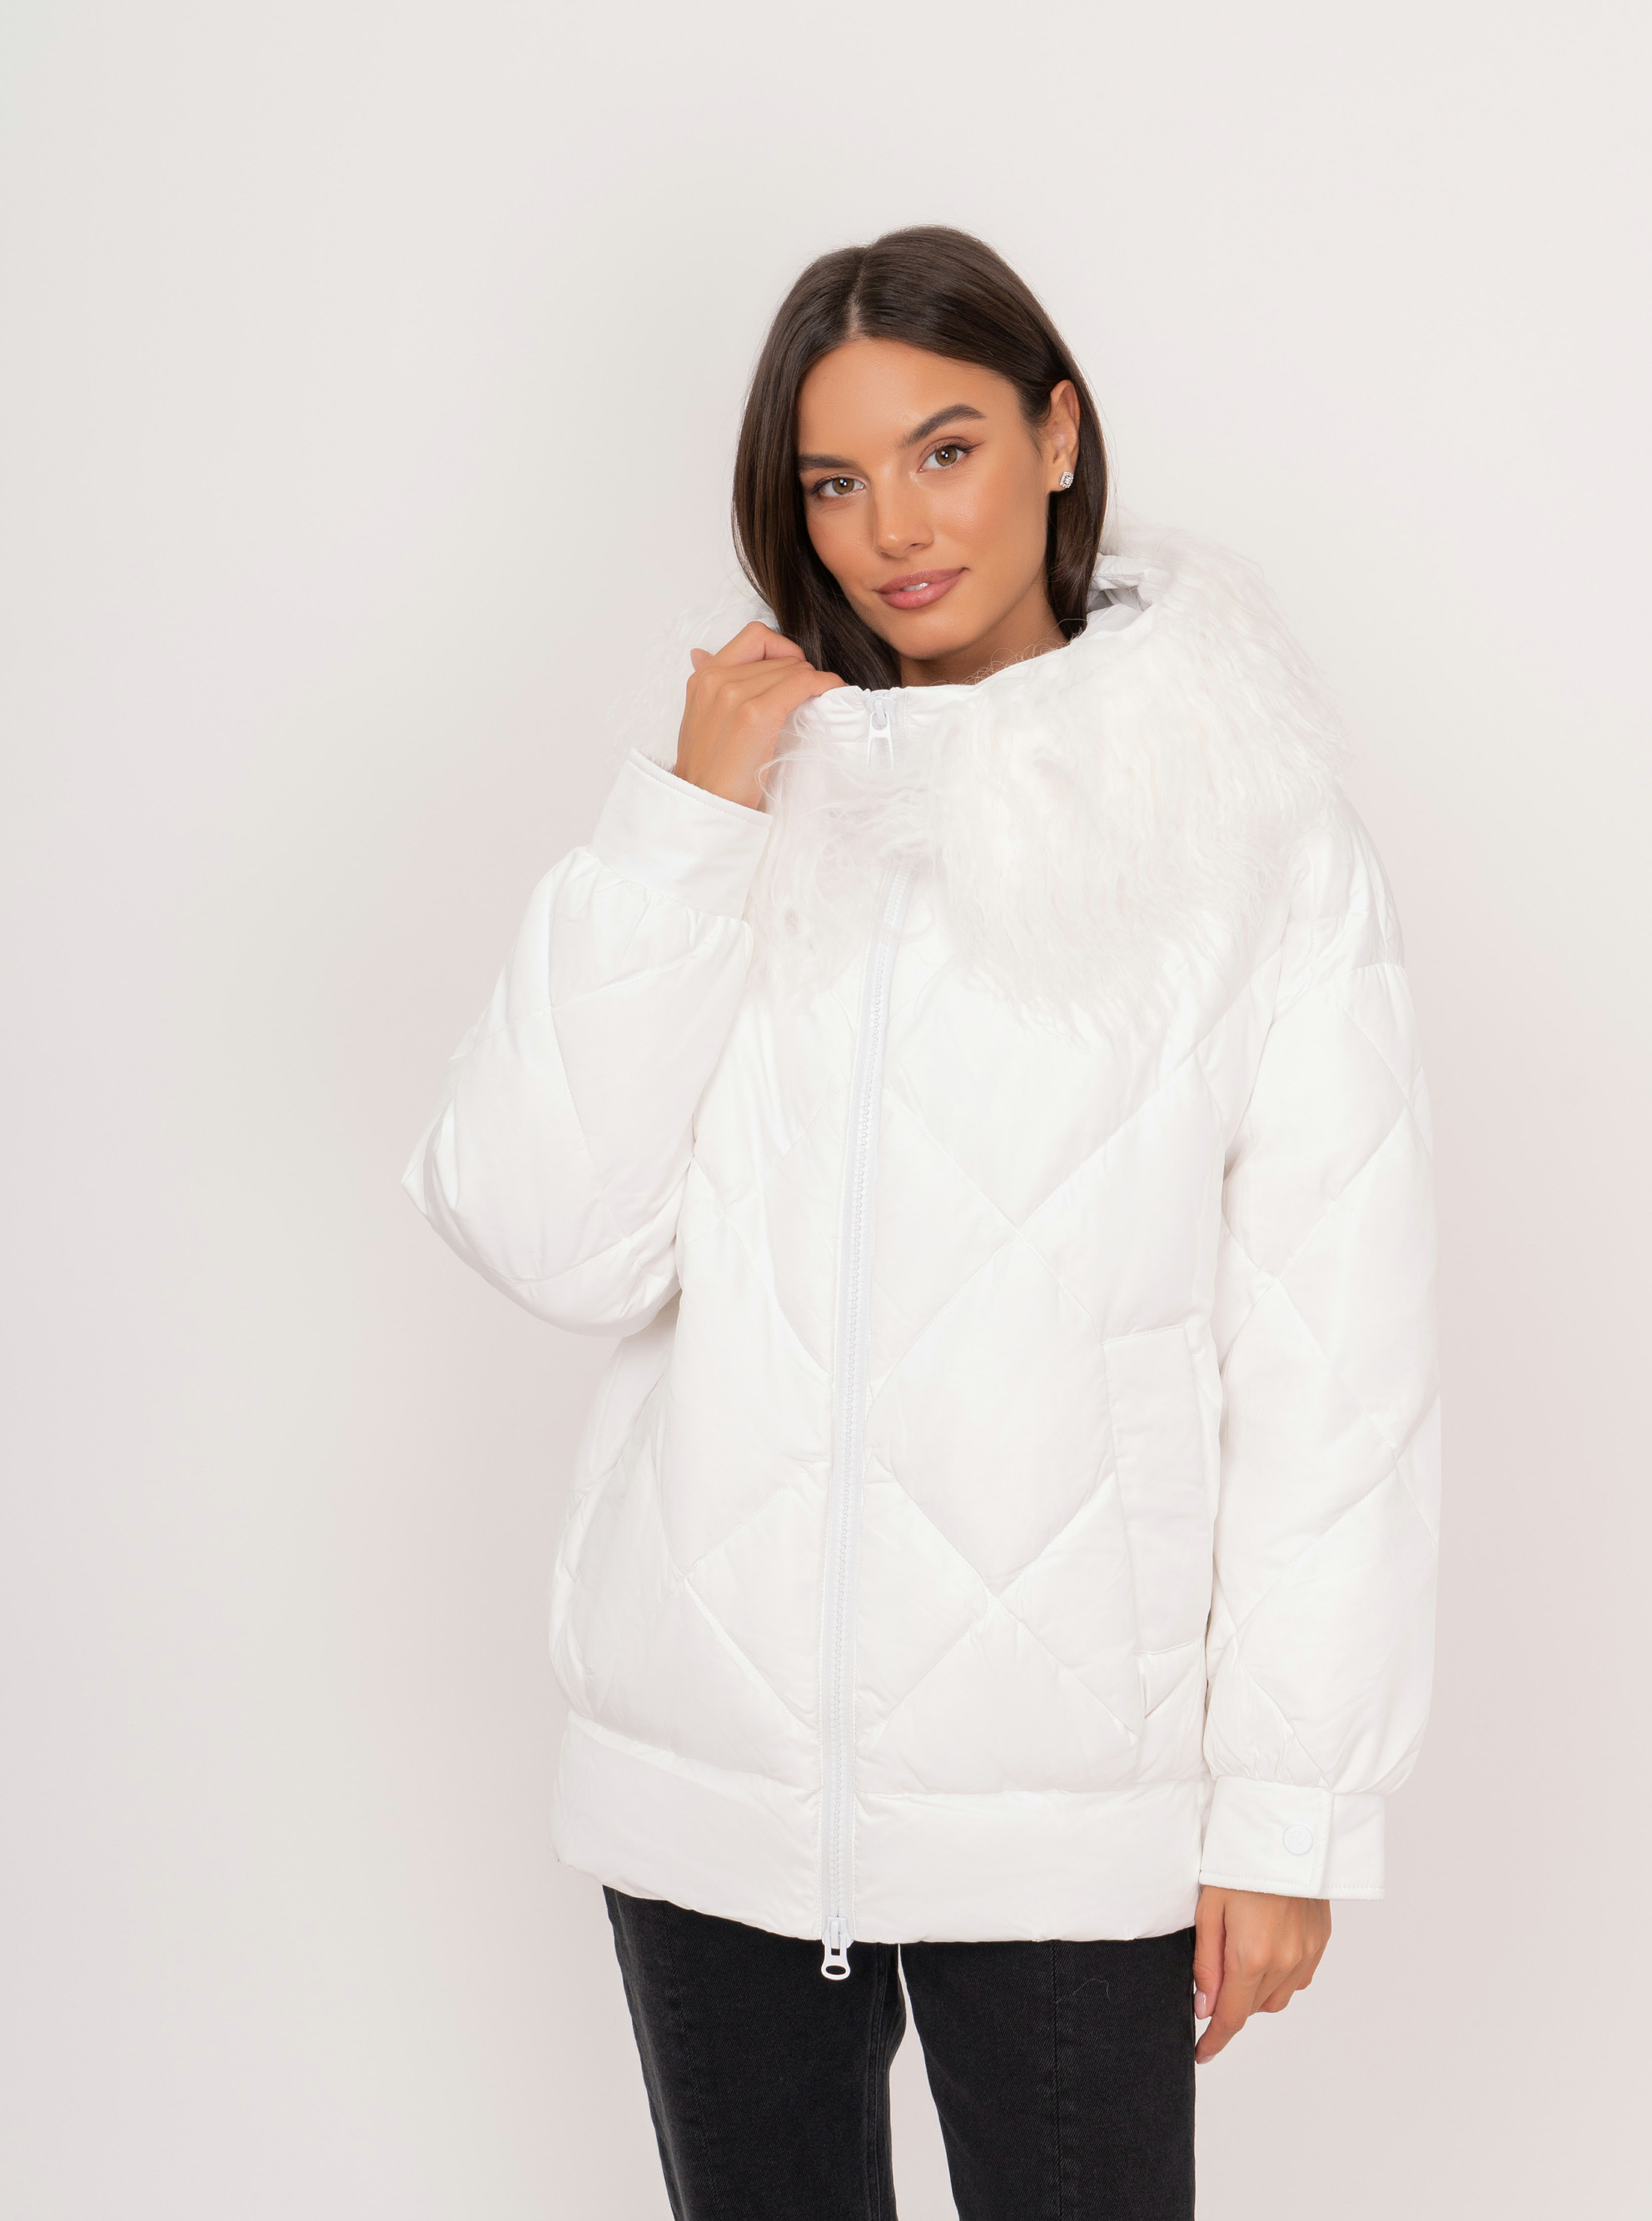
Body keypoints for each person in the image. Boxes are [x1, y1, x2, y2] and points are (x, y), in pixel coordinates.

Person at [403, 226, 1440, 2220]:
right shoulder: (743, 799)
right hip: (712, 1790)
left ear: (1057, 435)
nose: (893, 525)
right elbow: (546, 1234)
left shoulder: (1248, 827)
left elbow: (1336, 1363)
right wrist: (684, 827)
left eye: (944, 448)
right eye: (835, 478)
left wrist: (1290, 1810)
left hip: (1072, 1809)